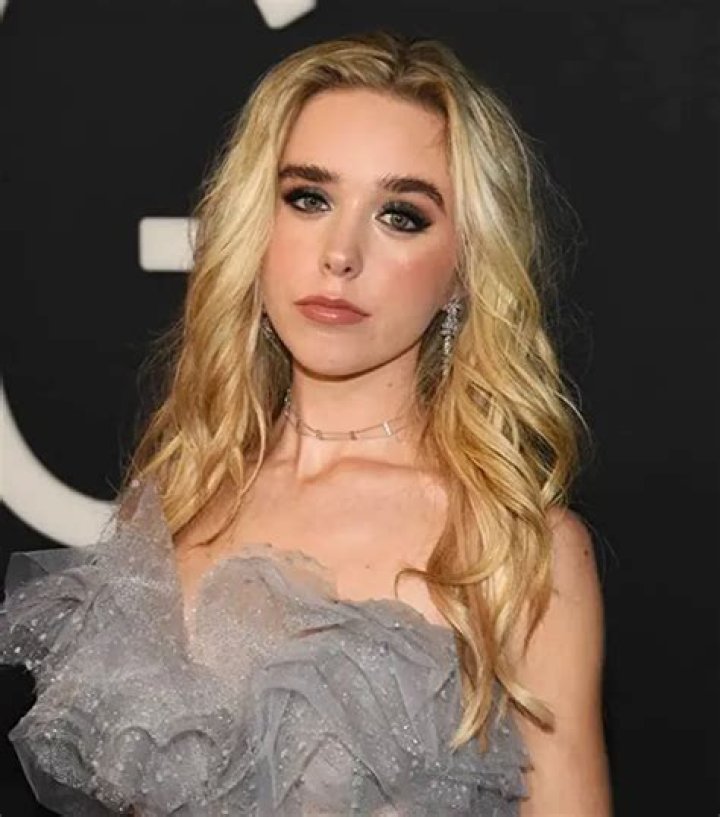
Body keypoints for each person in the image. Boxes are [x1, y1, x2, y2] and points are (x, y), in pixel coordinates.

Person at [0, 30, 611, 816]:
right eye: (309, 199)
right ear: (256, 223)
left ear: (463, 271)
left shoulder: (513, 549)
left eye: (400, 215)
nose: (340, 254)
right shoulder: (181, 497)